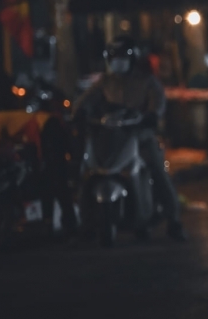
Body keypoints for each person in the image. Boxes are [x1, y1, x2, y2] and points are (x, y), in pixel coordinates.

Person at [75, 36, 186, 241]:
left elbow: (158, 102)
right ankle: (84, 222)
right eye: (114, 57)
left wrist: (151, 116)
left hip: (140, 136)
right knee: (86, 171)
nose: (118, 61)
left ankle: (174, 221)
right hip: (109, 137)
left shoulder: (146, 80)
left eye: (122, 56)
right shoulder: (105, 82)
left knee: (157, 170)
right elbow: (85, 101)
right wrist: (79, 113)